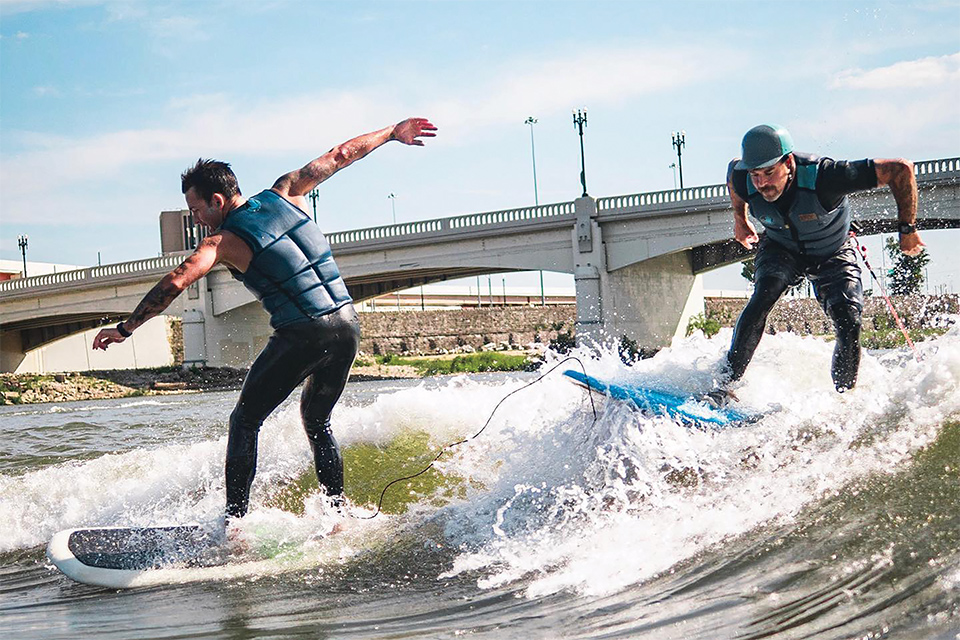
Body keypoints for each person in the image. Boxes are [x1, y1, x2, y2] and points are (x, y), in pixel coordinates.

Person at [93, 117, 437, 520]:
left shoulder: (221, 241)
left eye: (196, 209)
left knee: (244, 421)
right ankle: (336, 515)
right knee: (317, 420)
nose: (196, 217)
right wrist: (392, 133)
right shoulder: (287, 190)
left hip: (303, 332)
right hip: (347, 325)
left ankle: (234, 527)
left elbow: (177, 280)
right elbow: (341, 155)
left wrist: (125, 328)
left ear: (217, 201)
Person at [712, 123, 924, 402]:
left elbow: (901, 169)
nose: (762, 183)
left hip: (833, 253)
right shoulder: (743, 177)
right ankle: (724, 387)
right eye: (755, 175)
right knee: (762, 299)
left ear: (788, 162)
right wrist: (740, 220)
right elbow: (733, 171)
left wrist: (907, 230)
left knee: (849, 321)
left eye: (769, 173)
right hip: (781, 249)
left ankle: (842, 400)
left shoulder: (827, 176)